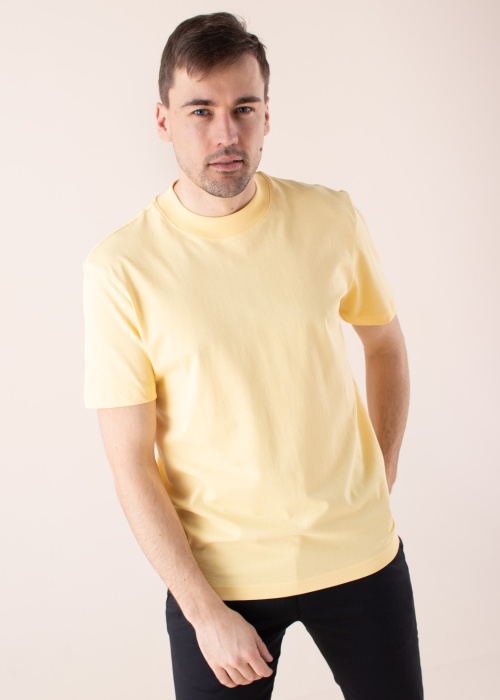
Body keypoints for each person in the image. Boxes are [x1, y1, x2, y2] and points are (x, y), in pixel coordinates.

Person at [83, 11, 424, 700]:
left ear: (268, 115)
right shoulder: (122, 268)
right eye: (200, 111)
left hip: (359, 556)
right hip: (219, 581)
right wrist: (203, 612)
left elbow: (384, 342)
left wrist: (381, 471)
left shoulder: (331, 218)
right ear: (163, 120)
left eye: (244, 108)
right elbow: (130, 462)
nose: (226, 134)